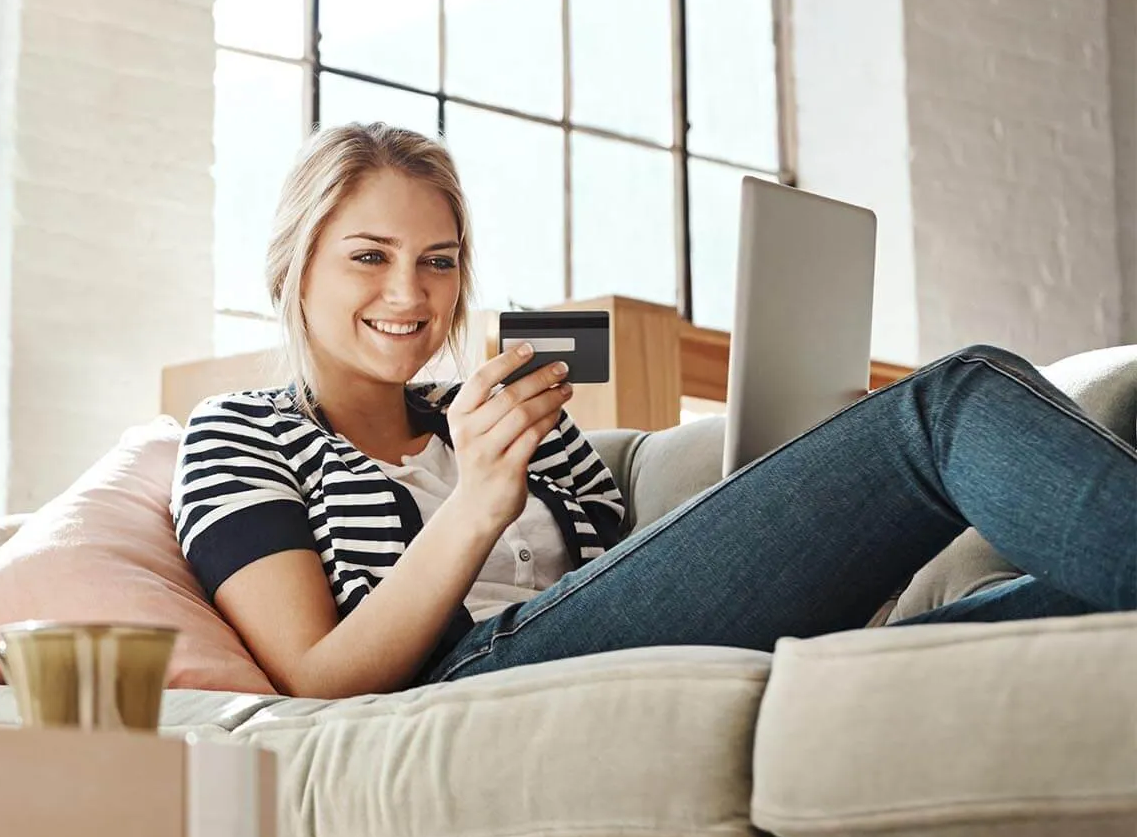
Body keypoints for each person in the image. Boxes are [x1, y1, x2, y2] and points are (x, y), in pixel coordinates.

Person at [171, 121, 1137, 699]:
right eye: (369, 256)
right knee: (953, 399)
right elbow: (317, 678)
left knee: (1067, 604)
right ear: (296, 265)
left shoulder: (513, 417)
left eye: (439, 261)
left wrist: (787, 524)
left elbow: (633, 586)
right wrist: (477, 503)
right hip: (465, 678)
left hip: (616, 652)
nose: (411, 294)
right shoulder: (241, 430)